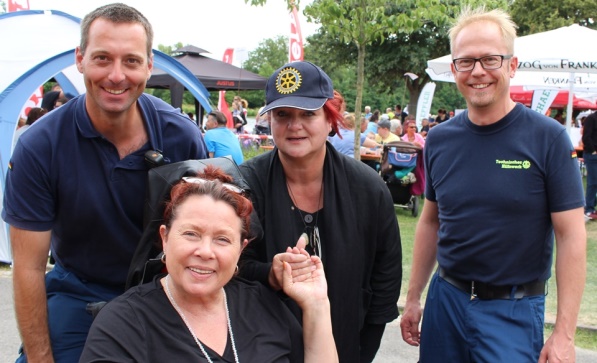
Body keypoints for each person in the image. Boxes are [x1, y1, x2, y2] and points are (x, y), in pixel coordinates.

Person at [2, 4, 208, 362]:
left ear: (149, 65)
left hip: (167, 291)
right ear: (80, 59)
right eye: (102, 58)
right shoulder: (40, 145)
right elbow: (29, 267)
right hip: (78, 291)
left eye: (130, 61)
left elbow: (209, 234)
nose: (116, 75)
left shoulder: (181, 137)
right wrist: (39, 358)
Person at [400, 7, 585, 363]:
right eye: (466, 62)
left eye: (490, 59)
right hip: (446, 302)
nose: (478, 71)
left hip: (513, 311)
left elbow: (571, 235)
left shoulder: (547, 138)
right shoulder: (438, 140)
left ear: (511, 66)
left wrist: (564, 334)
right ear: (454, 70)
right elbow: (431, 221)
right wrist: (413, 297)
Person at [80, 167, 337, 362]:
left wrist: (316, 306)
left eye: (222, 239)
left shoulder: (263, 306)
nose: (205, 251)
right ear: (165, 238)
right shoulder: (124, 323)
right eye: (191, 234)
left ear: (241, 249)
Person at [238, 60, 402, 363]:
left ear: (330, 120)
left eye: (308, 114)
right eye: (282, 114)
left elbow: (385, 277)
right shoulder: (245, 185)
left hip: (348, 344)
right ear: (270, 121)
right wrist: (270, 274)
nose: (294, 125)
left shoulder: (367, 188)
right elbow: (231, 266)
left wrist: (364, 350)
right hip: (261, 348)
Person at [582, 111, 597, 220]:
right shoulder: (591, 118)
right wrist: (593, 151)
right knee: (593, 182)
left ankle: (591, 207)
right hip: (591, 155)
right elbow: (586, 137)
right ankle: (589, 209)